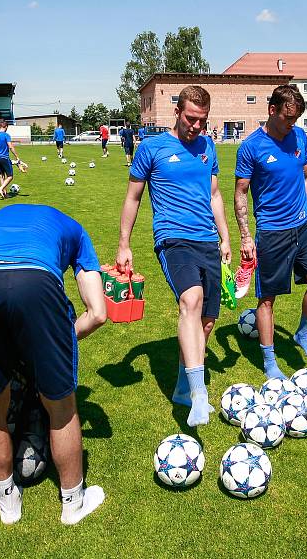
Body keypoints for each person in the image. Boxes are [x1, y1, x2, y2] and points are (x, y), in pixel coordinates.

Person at [0, 204, 107, 525]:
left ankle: (8, 504)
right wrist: (49, 342)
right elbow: (97, 312)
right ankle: (72, 504)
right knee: (61, 408)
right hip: (36, 282)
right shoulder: (76, 230)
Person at [116, 85, 232, 427]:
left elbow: (214, 194)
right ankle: (199, 393)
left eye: (203, 120)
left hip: (208, 240)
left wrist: (226, 237)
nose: (197, 126)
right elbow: (133, 198)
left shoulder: (208, 146)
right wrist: (124, 244)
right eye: (191, 118)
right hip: (173, 237)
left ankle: (184, 385)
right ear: (176, 113)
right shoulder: (152, 148)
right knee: (191, 300)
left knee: (207, 321)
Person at [234, 84, 307, 379]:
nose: (292, 124)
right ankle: (270, 360)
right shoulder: (251, 147)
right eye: (288, 117)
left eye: (296, 118)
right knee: (267, 299)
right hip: (272, 232)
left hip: (304, 225)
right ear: (272, 110)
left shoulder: (299, 136)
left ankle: (303, 333)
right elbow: (240, 193)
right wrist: (246, 236)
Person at [0, 121, 22, 199]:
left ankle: (5, 194)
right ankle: (0, 188)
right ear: (6, 127)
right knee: (10, 176)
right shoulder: (6, 135)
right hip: (4, 158)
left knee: (1, 176)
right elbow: (10, 147)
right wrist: (17, 156)